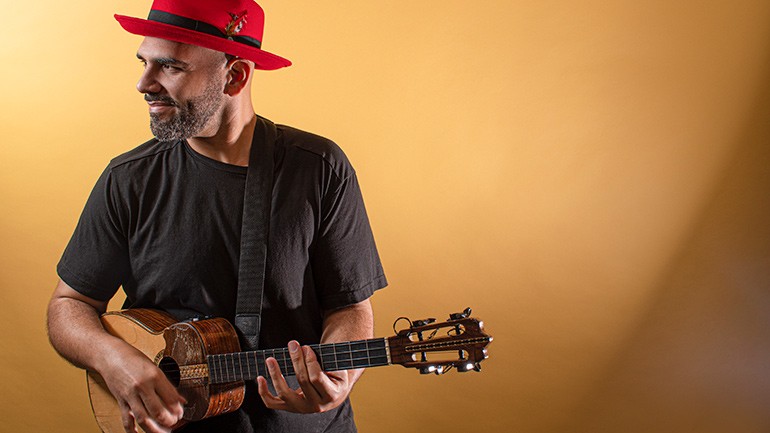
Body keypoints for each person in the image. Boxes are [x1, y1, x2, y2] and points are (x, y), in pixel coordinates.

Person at [46, 0, 387, 432]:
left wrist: (340, 378)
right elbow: (70, 305)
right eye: (144, 63)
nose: (143, 83)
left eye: (170, 67)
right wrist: (113, 359)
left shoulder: (318, 168)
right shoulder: (128, 179)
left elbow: (351, 306)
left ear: (236, 75)